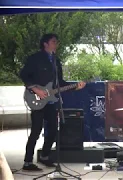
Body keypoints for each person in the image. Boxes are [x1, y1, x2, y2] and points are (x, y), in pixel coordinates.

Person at [19, 33, 86, 171]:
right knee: (36, 131)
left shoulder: (56, 61)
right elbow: (24, 75)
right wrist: (36, 89)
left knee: (54, 130)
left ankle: (45, 155)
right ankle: (27, 162)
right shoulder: (35, 58)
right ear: (45, 43)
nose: (56, 44)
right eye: (54, 41)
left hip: (51, 101)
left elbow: (59, 84)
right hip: (36, 98)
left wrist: (75, 87)